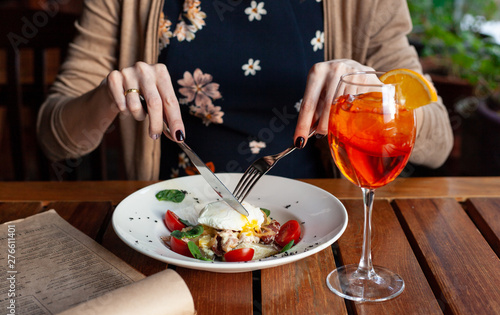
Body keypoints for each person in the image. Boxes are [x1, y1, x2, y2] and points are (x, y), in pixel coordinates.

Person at [37, 0, 453, 181]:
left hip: (316, 224)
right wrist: (110, 96)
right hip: (171, 221)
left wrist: (372, 93)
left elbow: (438, 139)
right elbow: (55, 139)